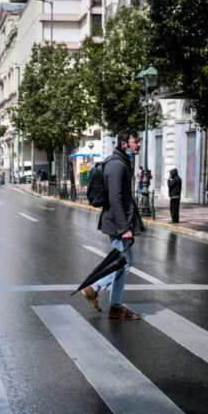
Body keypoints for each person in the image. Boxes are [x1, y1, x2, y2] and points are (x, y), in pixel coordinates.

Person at [79, 130, 145, 320]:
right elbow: (115, 198)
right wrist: (124, 228)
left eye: (139, 141)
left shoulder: (121, 162)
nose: (138, 144)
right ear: (124, 144)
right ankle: (94, 288)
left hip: (118, 221)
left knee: (126, 262)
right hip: (116, 223)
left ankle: (115, 307)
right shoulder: (116, 165)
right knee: (122, 263)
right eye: (135, 141)